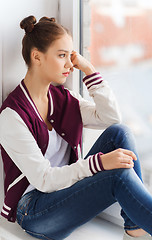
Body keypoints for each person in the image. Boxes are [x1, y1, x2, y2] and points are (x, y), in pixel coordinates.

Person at [0, 15, 152, 240]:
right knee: (117, 176)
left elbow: (111, 118)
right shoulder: (12, 116)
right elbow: (44, 179)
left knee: (120, 133)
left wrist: (89, 69)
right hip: (34, 210)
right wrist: (99, 163)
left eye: (71, 56)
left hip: (66, 192)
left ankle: (134, 224)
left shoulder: (63, 98)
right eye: (62, 56)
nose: (70, 64)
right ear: (37, 57)